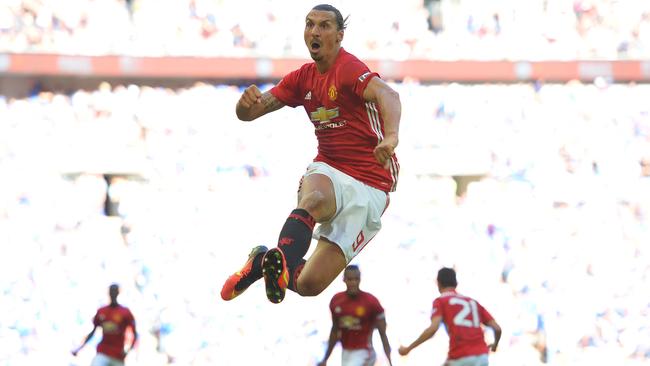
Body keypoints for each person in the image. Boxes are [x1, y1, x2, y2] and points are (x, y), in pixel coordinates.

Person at [221, 3, 401, 304]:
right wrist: (244, 104)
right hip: (329, 167)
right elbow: (250, 113)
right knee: (314, 200)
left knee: (309, 284)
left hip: (372, 183)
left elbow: (388, 94)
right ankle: (280, 263)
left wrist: (391, 137)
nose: (314, 31)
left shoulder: (349, 69)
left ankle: (262, 262)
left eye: (324, 25)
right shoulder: (301, 78)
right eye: (309, 24)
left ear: (339, 36)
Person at [398, 268, 502, 366]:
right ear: (456, 283)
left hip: (460, 356)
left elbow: (433, 329)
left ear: (438, 283)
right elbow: (497, 328)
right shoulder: (473, 302)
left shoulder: (441, 301)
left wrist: (408, 348)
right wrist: (495, 345)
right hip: (482, 356)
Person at [317, 265, 392, 366]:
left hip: (365, 351)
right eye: (350, 279)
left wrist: (390, 361)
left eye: (356, 279)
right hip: (346, 353)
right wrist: (325, 359)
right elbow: (335, 331)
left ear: (360, 279)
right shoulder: (336, 301)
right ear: (344, 280)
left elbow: (383, 334)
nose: (353, 283)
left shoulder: (372, 302)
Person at [72, 284, 138, 366]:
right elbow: (93, 332)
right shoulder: (101, 311)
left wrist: (129, 350)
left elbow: (135, 334)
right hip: (103, 352)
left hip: (118, 355)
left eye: (115, 291)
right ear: (108, 292)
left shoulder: (125, 312)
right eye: (111, 291)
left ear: (118, 293)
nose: (113, 293)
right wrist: (80, 348)